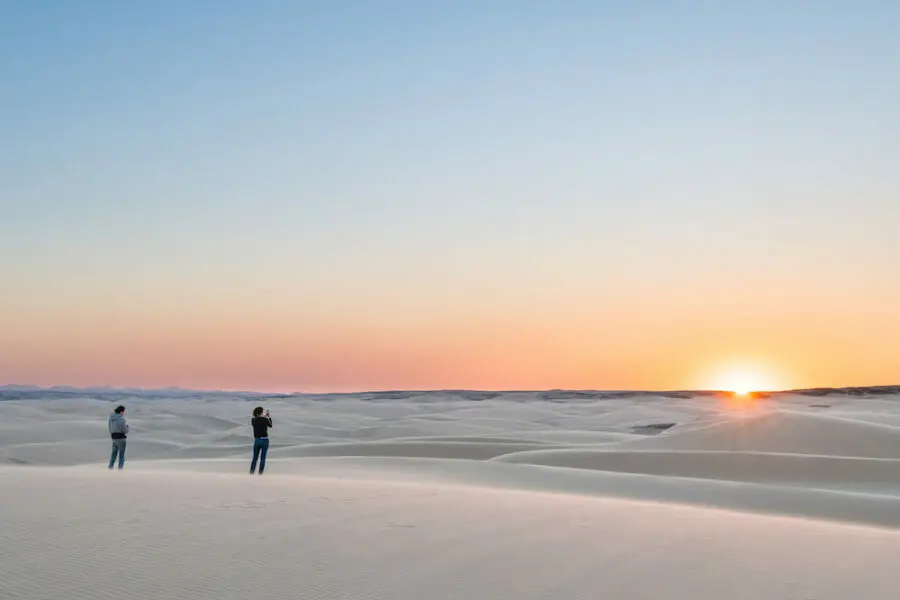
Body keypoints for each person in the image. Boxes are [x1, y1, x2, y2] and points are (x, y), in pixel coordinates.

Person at [250, 406, 273, 474]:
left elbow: (258, 421)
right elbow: (270, 425)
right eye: (262, 412)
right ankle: (260, 474)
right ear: (260, 413)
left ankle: (251, 473)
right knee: (262, 458)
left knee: (255, 458)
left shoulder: (253, 420)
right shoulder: (264, 419)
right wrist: (268, 417)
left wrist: (264, 417)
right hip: (264, 440)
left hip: (256, 440)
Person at [108, 405, 129, 470]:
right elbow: (125, 430)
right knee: (121, 455)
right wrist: (127, 428)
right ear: (121, 412)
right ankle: (120, 469)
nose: (123, 413)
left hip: (114, 438)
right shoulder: (121, 419)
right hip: (121, 438)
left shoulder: (111, 419)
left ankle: (110, 467)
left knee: (113, 454)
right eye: (123, 412)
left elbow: (110, 428)